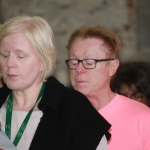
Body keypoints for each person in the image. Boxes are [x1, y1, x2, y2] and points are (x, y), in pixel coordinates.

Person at [0, 16, 111, 150]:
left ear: (43, 60)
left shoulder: (73, 108)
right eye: (4, 55)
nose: (9, 63)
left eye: (20, 56)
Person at [65, 25, 150, 150]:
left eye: (89, 62)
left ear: (112, 67)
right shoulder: (56, 117)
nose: (79, 69)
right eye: (74, 62)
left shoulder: (143, 118)